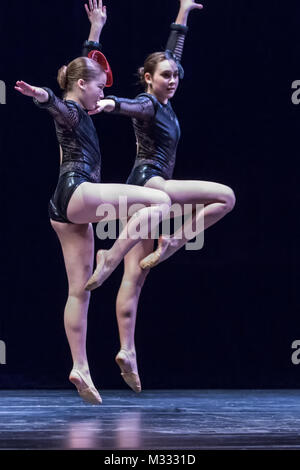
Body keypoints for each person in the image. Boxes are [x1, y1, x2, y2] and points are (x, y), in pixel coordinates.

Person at [14, 0, 171, 405]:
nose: (104, 91)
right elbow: (56, 102)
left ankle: (80, 367)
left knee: (78, 291)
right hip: (76, 190)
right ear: (82, 86)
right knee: (158, 200)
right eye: (100, 86)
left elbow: (83, 65)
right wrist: (39, 95)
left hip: (62, 209)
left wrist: (96, 27)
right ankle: (112, 259)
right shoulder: (70, 108)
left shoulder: (80, 97)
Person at [86, 0, 236, 393]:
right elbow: (133, 105)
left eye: (175, 76)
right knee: (225, 197)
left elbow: (174, 53)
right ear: (148, 78)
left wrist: (183, 13)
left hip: (143, 193)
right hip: (151, 186)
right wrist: (112, 103)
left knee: (134, 280)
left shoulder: (165, 97)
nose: (173, 80)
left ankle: (127, 351)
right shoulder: (150, 104)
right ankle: (171, 240)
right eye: (165, 76)